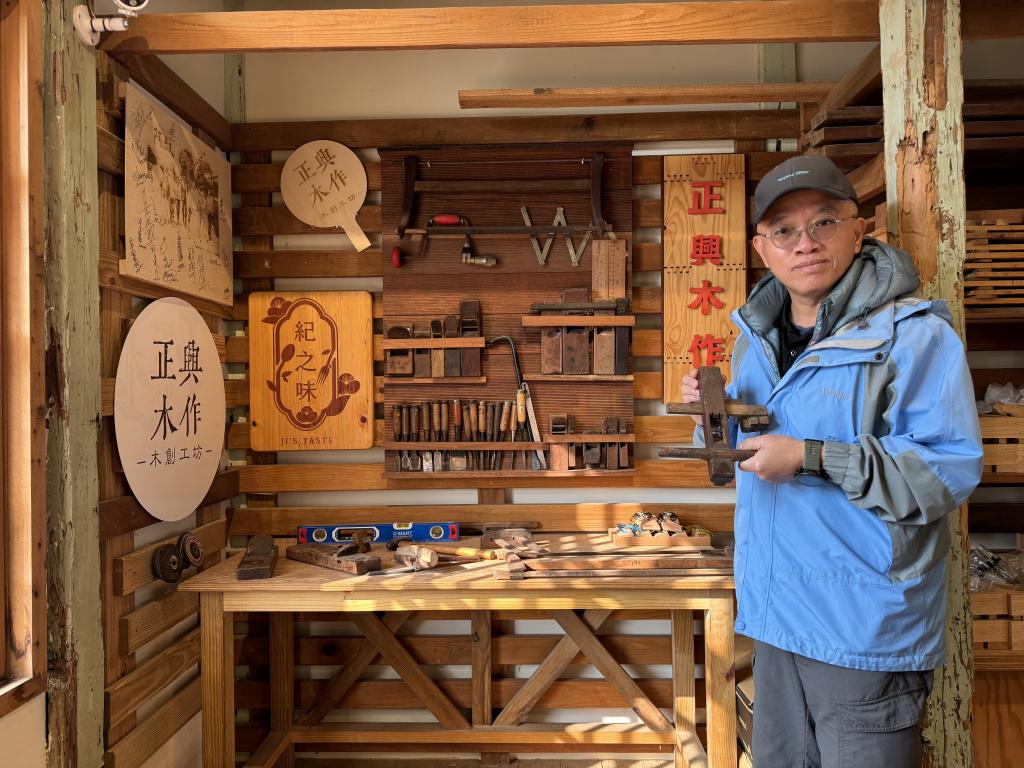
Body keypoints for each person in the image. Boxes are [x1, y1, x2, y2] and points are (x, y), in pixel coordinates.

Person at [680, 155, 983, 768]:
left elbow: (945, 470)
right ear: (762, 248)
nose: (805, 243)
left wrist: (812, 458)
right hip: (777, 617)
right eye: (784, 230)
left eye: (823, 221)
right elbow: (749, 452)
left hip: (861, 625)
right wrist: (714, 416)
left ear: (858, 228)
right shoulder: (754, 343)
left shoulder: (914, 336)